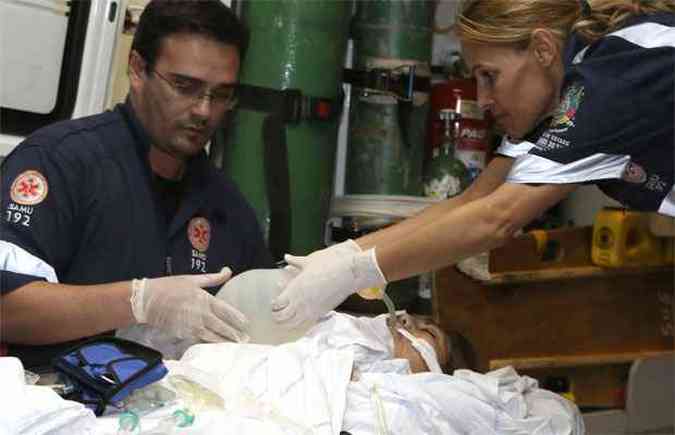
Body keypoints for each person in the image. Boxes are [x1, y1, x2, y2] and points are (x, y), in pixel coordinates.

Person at [271, 0, 675, 329]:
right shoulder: (567, 82)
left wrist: (355, 272)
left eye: (489, 76)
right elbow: (477, 199)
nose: (481, 100)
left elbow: (497, 219)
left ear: (543, 49)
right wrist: (344, 254)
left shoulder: (609, 82)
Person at [0, 0, 272, 368]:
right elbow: (7, 308)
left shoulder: (228, 207)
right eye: (185, 86)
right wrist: (137, 302)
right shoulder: (60, 163)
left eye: (221, 94)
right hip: (60, 408)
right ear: (138, 69)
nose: (204, 111)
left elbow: (261, 330)